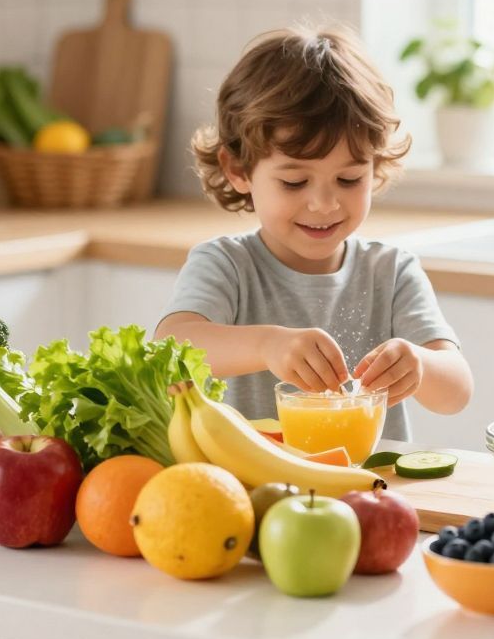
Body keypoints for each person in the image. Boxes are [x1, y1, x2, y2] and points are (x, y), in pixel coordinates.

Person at [156, 25, 473, 440]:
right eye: (294, 182)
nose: (324, 204)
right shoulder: (226, 265)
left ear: (375, 167)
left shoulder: (391, 271)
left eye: (349, 179)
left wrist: (420, 364)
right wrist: (267, 345)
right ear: (238, 169)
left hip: (372, 478)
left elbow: (456, 392)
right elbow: (171, 349)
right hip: (250, 477)